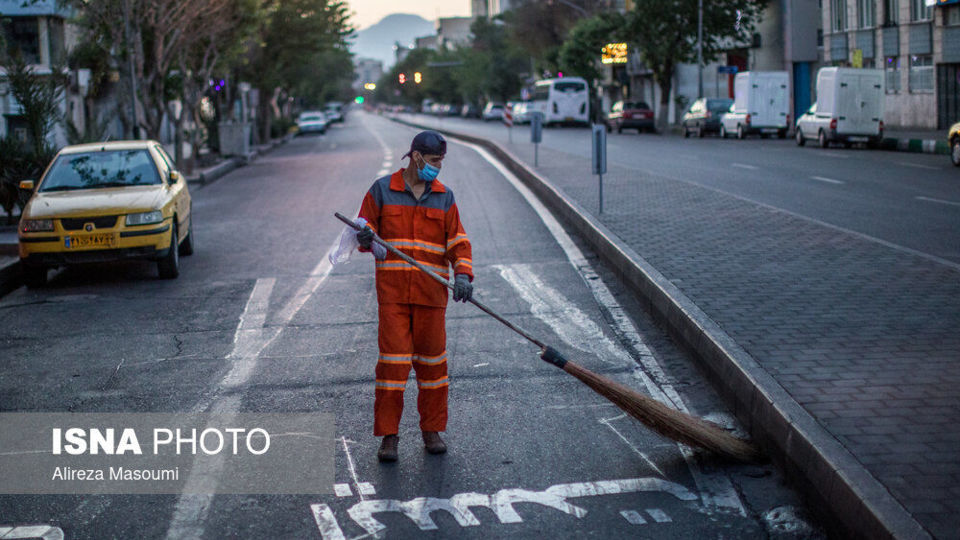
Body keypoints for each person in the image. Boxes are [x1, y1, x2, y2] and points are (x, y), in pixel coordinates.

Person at [355, 130, 473, 462]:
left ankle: (431, 430)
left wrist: (463, 274)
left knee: (433, 367)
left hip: (431, 295)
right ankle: (389, 436)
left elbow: (458, 242)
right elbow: (365, 235)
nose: (438, 168)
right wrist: (365, 236)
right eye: (435, 161)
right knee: (392, 366)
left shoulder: (444, 197)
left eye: (441, 162)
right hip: (393, 295)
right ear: (417, 157)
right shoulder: (382, 190)